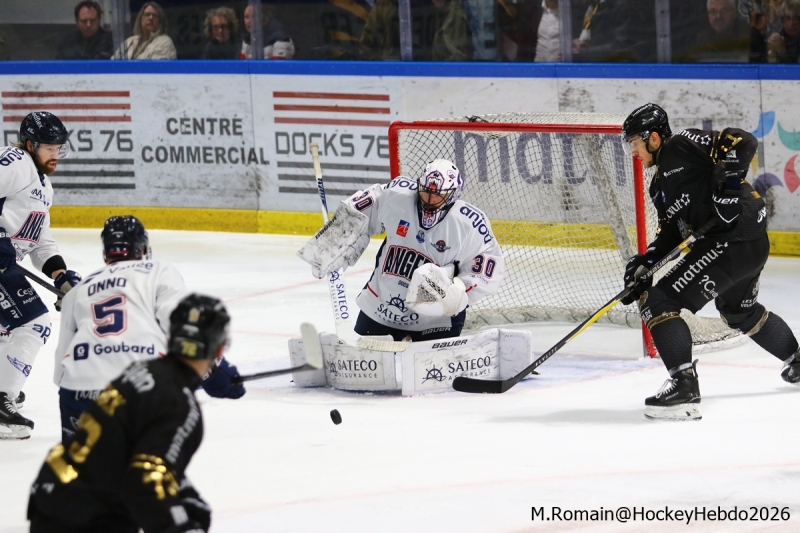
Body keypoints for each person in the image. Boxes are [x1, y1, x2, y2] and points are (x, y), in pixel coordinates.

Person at [620, 103, 800, 421]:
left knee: (658, 301)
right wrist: (645, 263)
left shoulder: (682, 144)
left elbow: (743, 141)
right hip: (746, 245)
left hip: (733, 240)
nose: (633, 152)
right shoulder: (659, 187)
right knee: (738, 311)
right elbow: (671, 233)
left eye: (635, 142)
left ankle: (684, 388)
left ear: (654, 138)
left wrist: (727, 189)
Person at [28, 293, 233, 533]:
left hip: (53, 493)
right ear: (219, 350)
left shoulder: (140, 371)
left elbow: (127, 449)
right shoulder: (179, 404)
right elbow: (145, 480)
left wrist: (183, 493)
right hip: (91, 515)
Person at [54, 215, 245, 442]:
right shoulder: (158, 271)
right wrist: (213, 367)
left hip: (76, 390)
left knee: (85, 464)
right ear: (142, 248)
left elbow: (60, 370)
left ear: (106, 251)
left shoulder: (78, 290)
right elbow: (179, 323)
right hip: (139, 387)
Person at [298, 159, 504, 342]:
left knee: (431, 369)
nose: (429, 200)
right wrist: (334, 241)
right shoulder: (397, 194)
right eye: (425, 192)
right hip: (380, 309)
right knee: (363, 362)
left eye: (437, 196)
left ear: (453, 195)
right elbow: (359, 210)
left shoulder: (469, 223)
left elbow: (487, 268)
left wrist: (457, 294)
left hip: (434, 321)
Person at [0, 112, 81, 440]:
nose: (55, 154)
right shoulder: (15, 161)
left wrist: (61, 276)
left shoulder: (44, 187)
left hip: (5, 265)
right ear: (31, 145)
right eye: (50, 148)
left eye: (59, 148)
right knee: (34, 322)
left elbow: (40, 242)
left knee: (6, 332)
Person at [572, 0, 657, 63]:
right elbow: (604, 36)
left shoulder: (626, 5)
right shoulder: (595, 5)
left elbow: (623, 47)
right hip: (602, 67)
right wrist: (584, 45)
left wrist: (583, 53)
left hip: (621, 71)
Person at [687, 0, 752, 62]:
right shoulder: (702, 38)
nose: (718, 16)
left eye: (724, 11)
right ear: (708, 15)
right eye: (713, 12)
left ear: (734, 13)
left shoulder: (747, 35)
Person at [112, 1, 177, 60]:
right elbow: (113, 62)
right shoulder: (130, 41)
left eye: (154, 15)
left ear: (160, 22)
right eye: (147, 14)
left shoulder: (164, 42)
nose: (151, 18)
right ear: (140, 19)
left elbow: (154, 67)